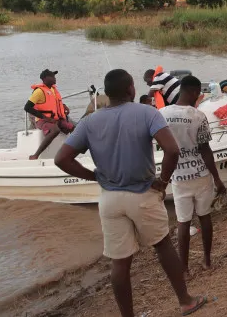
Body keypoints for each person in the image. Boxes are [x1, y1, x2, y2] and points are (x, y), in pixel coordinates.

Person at [54, 69, 206, 317]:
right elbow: (172, 150)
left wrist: (94, 176)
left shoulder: (90, 121)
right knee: (163, 246)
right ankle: (185, 301)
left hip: (109, 199)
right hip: (143, 193)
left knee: (120, 262)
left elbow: (61, 159)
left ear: (107, 93)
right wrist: (163, 181)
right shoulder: (146, 112)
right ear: (130, 89)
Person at [159, 76, 227, 279]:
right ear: (195, 92)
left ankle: (184, 269)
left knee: (183, 222)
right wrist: (217, 179)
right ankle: (206, 261)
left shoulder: (162, 114)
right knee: (204, 217)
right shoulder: (198, 116)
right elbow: (205, 150)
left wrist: (162, 180)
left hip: (178, 177)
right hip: (201, 176)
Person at [24, 69, 75, 160]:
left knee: (74, 128)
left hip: (56, 119)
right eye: (52, 76)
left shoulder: (52, 89)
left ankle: (72, 152)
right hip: (42, 120)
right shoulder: (39, 91)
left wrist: (63, 106)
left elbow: (54, 102)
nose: (55, 78)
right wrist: (46, 118)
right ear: (45, 79)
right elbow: (27, 107)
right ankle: (36, 155)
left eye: (54, 76)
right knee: (55, 130)